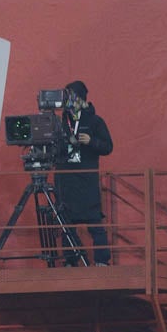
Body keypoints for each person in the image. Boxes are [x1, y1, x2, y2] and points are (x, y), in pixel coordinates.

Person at [54, 81, 114, 266]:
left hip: (87, 182)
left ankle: (102, 261)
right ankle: (72, 260)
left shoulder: (95, 122)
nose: (68, 102)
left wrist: (91, 141)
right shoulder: (62, 121)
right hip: (66, 182)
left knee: (95, 223)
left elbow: (108, 147)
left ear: (80, 99)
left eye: (71, 97)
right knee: (66, 224)